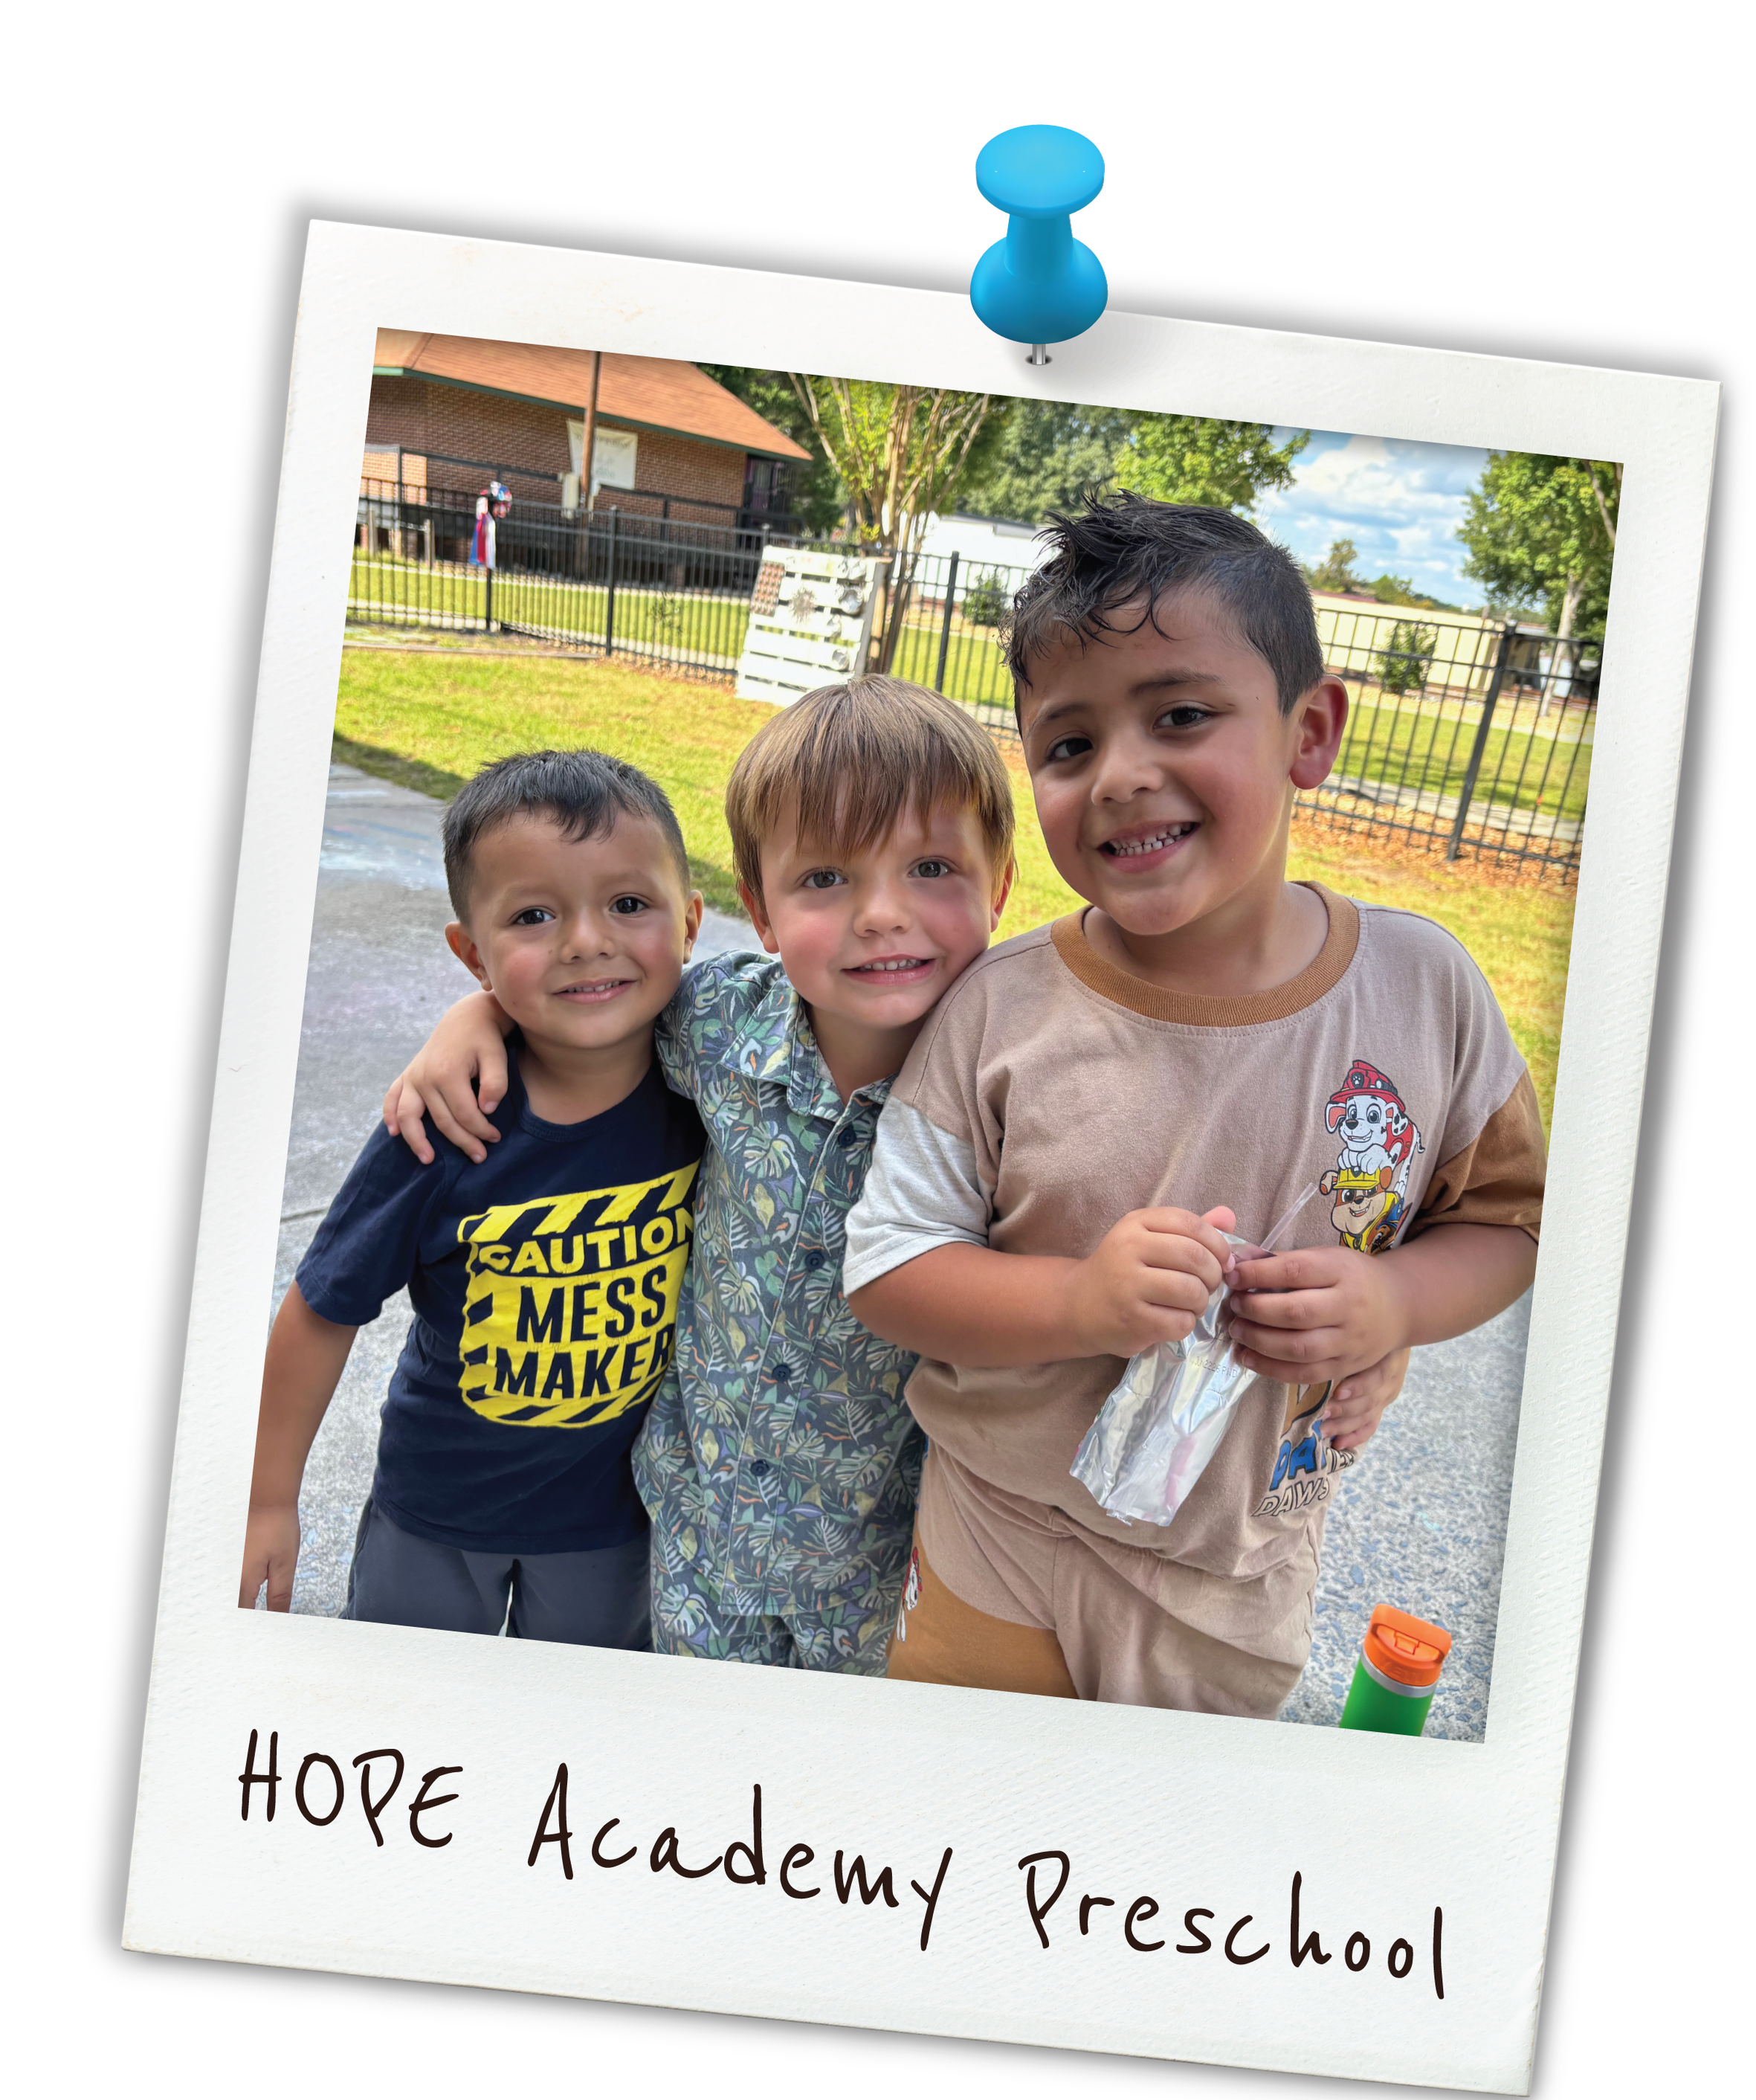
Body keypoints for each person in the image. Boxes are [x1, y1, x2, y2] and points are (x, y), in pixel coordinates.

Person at [841, 493, 1544, 1716]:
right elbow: (890, 1266)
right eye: (1067, 745)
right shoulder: (1002, 1010)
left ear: (1308, 731)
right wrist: (1076, 1297)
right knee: (953, 1834)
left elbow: (1507, 1225)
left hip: (1237, 1575)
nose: (1120, 774)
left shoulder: (1426, 991)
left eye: (1181, 713)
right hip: (1003, 1534)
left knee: (1166, 1874)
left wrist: (1391, 1301)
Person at [382, 680, 1019, 1672]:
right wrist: (472, 1019)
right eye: (826, 879)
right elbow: (584, 990)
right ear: (758, 910)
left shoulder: (1012, 1082)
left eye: (932, 866)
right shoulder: (719, 1022)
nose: (883, 914)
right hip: (695, 1532)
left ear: (1001, 885)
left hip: (874, 1558)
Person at [241, 751, 706, 1648]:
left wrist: (485, 1008)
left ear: (689, 920)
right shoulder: (445, 1120)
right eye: (533, 914)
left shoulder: (718, 1089)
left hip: (615, 1522)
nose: (584, 939)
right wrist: (269, 1496)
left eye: (628, 903)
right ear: (472, 952)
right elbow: (320, 1309)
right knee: (398, 1722)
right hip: (438, 1511)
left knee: (574, 1738)